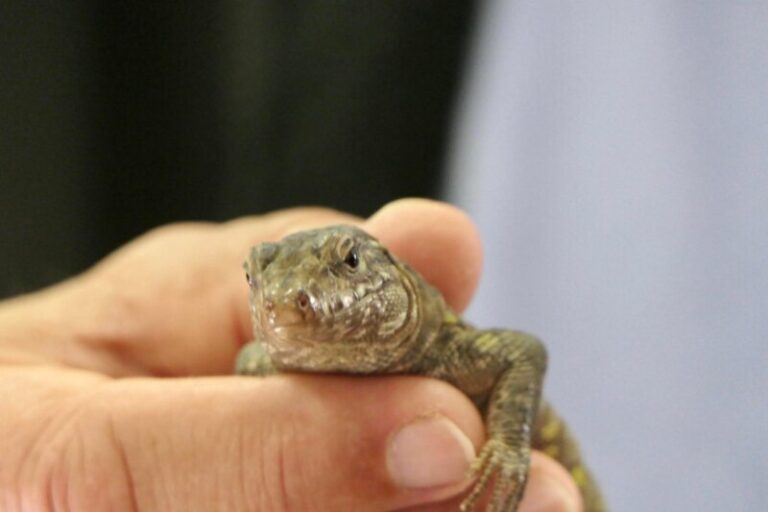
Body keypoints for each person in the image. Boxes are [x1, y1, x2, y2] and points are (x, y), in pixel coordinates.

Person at [0, 199, 581, 512]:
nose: (287, 299)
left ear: (394, 278)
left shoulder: (441, 346)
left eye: (348, 262)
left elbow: (518, 353)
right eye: (259, 280)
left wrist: (507, 444)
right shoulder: (259, 362)